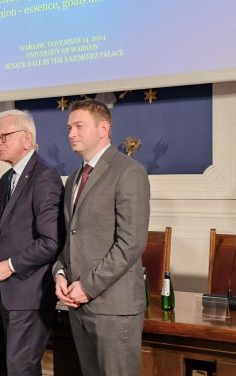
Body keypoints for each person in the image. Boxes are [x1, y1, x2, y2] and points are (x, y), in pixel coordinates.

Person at [53, 98, 150, 376]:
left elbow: (130, 243)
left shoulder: (129, 172)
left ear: (103, 128)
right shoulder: (73, 178)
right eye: (69, 127)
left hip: (114, 307)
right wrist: (60, 273)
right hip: (78, 305)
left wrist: (87, 286)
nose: (71, 133)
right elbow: (71, 238)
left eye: (79, 126)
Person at [0, 110, 65, 376]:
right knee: (12, 367)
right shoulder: (7, 178)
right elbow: (6, 231)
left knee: (22, 369)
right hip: (7, 293)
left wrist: (10, 265)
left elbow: (50, 241)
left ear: (27, 139)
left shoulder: (45, 176)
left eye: (4, 136)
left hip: (30, 292)